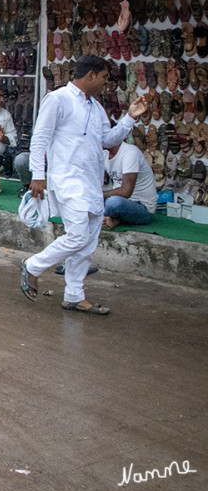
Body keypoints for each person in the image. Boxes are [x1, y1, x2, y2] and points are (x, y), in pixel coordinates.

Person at [20, 55, 148, 315]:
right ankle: (32, 266)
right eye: (103, 77)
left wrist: (130, 118)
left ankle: (74, 296)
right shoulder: (58, 99)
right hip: (67, 180)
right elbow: (40, 138)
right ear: (90, 75)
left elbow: (106, 139)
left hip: (91, 184)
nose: (105, 83)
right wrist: (38, 174)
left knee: (87, 243)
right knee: (77, 236)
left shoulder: (97, 108)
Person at [103, 140, 157, 228]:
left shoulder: (130, 152)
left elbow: (126, 192)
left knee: (113, 202)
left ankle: (107, 216)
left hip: (142, 208)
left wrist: (99, 195)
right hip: (119, 204)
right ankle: (112, 218)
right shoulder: (104, 153)